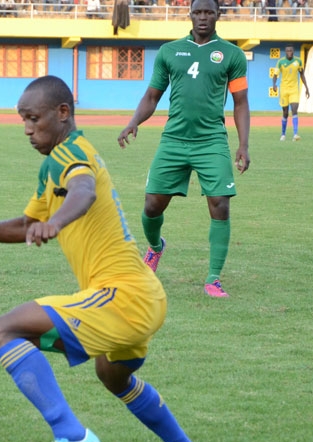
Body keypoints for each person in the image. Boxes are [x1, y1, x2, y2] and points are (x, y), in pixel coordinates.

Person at [0, 75, 215, 442]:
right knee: (113, 375)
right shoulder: (52, 164)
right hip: (143, 296)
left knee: (2, 330)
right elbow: (25, 225)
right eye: (23, 120)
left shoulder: (72, 153)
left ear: (62, 113)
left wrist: (56, 223)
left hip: (122, 296)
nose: (27, 129)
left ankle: (71, 435)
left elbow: (84, 191)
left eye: (33, 118)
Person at [117, 0, 250, 298]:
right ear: (190, 14)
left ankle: (213, 278)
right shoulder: (169, 51)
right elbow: (152, 96)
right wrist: (133, 122)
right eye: (198, 12)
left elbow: (240, 102)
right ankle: (155, 247)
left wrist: (243, 144)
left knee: (220, 204)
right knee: (152, 205)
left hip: (211, 141)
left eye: (209, 12)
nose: (203, 17)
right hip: (173, 140)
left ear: (218, 15)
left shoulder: (232, 54)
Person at [272, 45, 310, 142]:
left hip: (294, 89)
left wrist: (306, 87)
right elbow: (275, 75)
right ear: (285, 52)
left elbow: (302, 74)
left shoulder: (298, 61)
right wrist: (274, 85)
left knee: (294, 110)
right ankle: (283, 134)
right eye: (288, 51)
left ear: (293, 52)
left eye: (291, 51)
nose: (289, 52)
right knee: (285, 113)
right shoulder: (280, 62)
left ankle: (295, 134)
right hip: (284, 90)